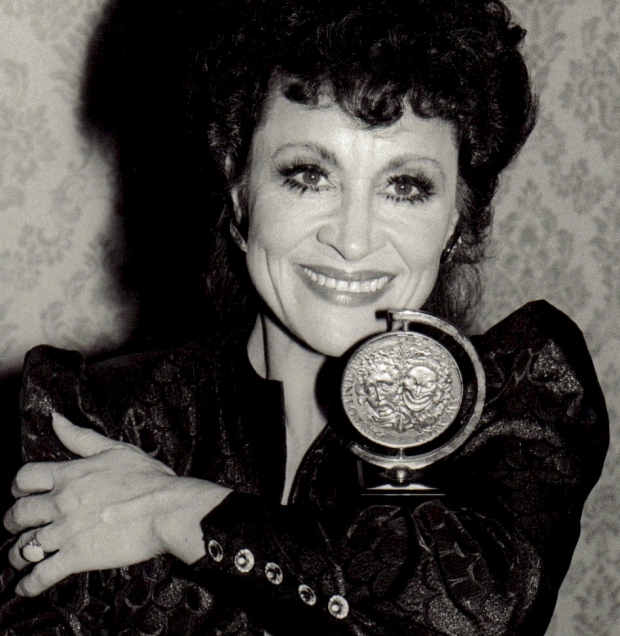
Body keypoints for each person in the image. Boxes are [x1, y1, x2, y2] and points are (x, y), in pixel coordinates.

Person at [0, 0, 608, 634]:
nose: (353, 239)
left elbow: (475, 613)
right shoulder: (98, 418)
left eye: (405, 186)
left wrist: (180, 514)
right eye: (309, 176)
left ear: (456, 217)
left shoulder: (514, 401)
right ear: (238, 188)